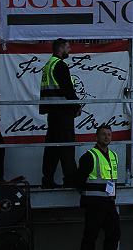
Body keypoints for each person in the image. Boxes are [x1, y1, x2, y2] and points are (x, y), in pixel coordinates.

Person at [40, 38, 81, 189]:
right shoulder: (60, 65)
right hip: (63, 112)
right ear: (60, 49)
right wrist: (76, 105)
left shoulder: (48, 65)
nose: (70, 50)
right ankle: (70, 180)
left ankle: (47, 180)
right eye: (68, 47)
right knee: (66, 147)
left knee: (52, 148)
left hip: (52, 112)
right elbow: (67, 88)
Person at [76, 125, 119, 250]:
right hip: (94, 202)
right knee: (91, 236)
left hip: (109, 201)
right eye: (103, 134)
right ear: (96, 137)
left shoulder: (113, 156)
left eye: (109, 135)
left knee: (114, 234)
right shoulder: (89, 156)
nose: (106, 137)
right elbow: (78, 181)